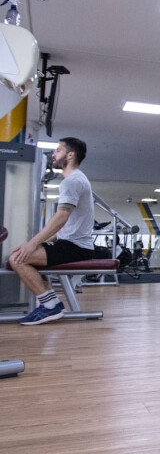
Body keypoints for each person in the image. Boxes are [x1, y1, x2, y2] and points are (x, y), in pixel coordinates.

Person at [9, 138, 95, 325]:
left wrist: (32, 244)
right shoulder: (75, 179)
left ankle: (50, 307)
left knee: (17, 259)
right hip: (71, 244)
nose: (54, 154)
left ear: (70, 155)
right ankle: (49, 304)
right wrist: (38, 243)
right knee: (23, 254)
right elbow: (67, 225)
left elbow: (61, 217)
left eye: (58, 150)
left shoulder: (72, 181)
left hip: (76, 248)